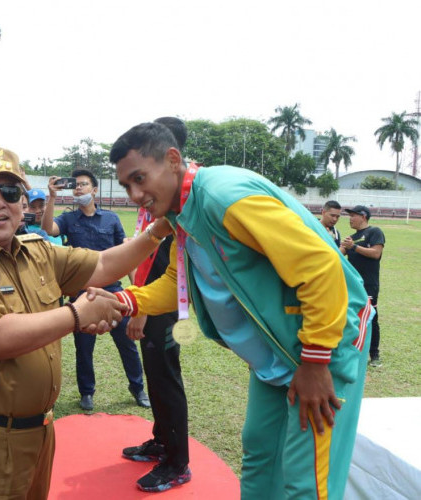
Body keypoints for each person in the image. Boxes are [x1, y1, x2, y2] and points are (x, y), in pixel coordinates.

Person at [108, 121, 373, 499]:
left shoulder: (222, 196)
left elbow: (319, 266)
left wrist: (316, 362)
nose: (135, 194)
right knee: (260, 456)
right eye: (125, 185)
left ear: (172, 159)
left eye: (139, 178)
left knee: (306, 480)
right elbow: (178, 279)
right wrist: (126, 300)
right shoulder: (182, 210)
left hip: (323, 346)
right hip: (276, 351)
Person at [0, 146, 171, 499]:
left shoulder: (35, 251)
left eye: (9, 192)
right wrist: (76, 314)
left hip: (36, 433)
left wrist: (159, 229)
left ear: (22, 203)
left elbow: (102, 266)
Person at [41, 169, 149, 411]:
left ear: (95, 190)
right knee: (84, 348)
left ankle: (138, 388)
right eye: (75, 186)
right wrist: (52, 197)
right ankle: (86, 392)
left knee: (128, 344)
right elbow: (48, 229)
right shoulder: (68, 219)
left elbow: (126, 255)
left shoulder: (111, 219)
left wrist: (137, 288)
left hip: (113, 293)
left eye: (83, 185)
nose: (78, 189)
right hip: (82, 294)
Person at [121, 116, 190, 493]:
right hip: (147, 297)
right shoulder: (156, 197)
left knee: (164, 379)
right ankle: (162, 441)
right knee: (156, 374)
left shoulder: (178, 203)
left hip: (159, 305)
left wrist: (140, 310)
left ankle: (178, 463)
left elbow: (167, 268)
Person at [341, 205, 385, 367]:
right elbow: (337, 256)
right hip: (352, 286)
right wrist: (341, 246)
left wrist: (353, 247)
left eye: (353, 215)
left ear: (363, 216)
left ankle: (374, 355)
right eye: (349, 216)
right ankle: (351, 352)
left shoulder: (375, 232)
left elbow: (375, 253)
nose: (350, 219)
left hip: (369, 285)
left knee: (371, 317)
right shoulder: (351, 237)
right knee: (351, 317)